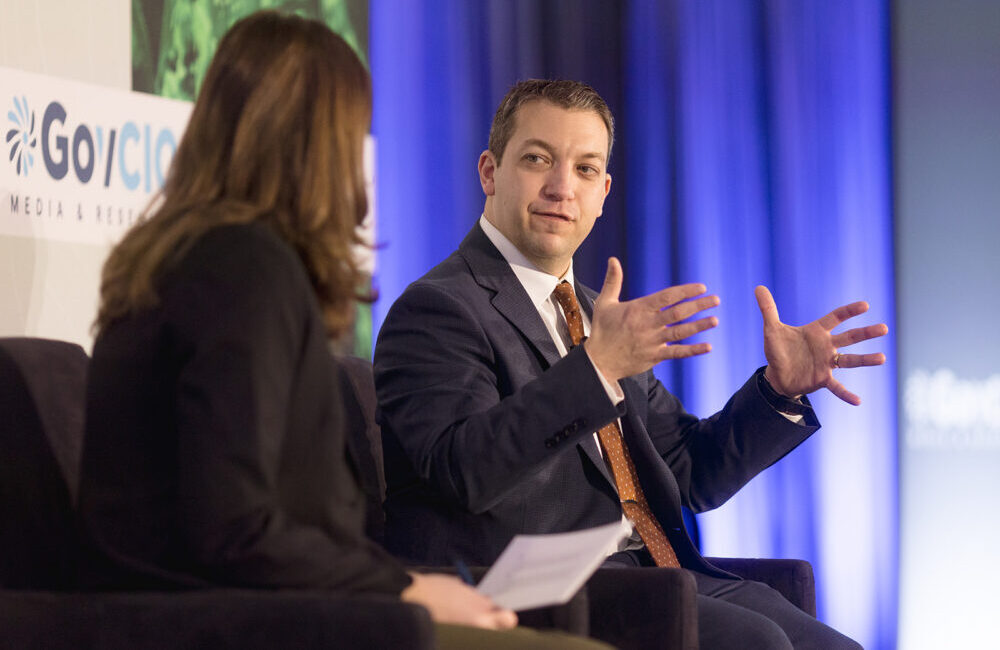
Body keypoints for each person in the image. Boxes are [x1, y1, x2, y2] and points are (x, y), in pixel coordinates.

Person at [77, 15, 611, 650]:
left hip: (254, 602)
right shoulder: (242, 270)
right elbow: (236, 527)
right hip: (223, 617)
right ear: (319, 141)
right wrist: (405, 589)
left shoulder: (196, 253)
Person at [374, 79, 886, 649]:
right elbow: (462, 470)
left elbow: (690, 473)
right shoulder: (440, 307)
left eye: (586, 169)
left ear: (604, 192)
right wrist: (592, 370)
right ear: (490, 172)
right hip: (538, 596)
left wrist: (778, 392)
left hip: (659, 577)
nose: (561, 187)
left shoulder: (597, 314)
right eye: (538, 159)